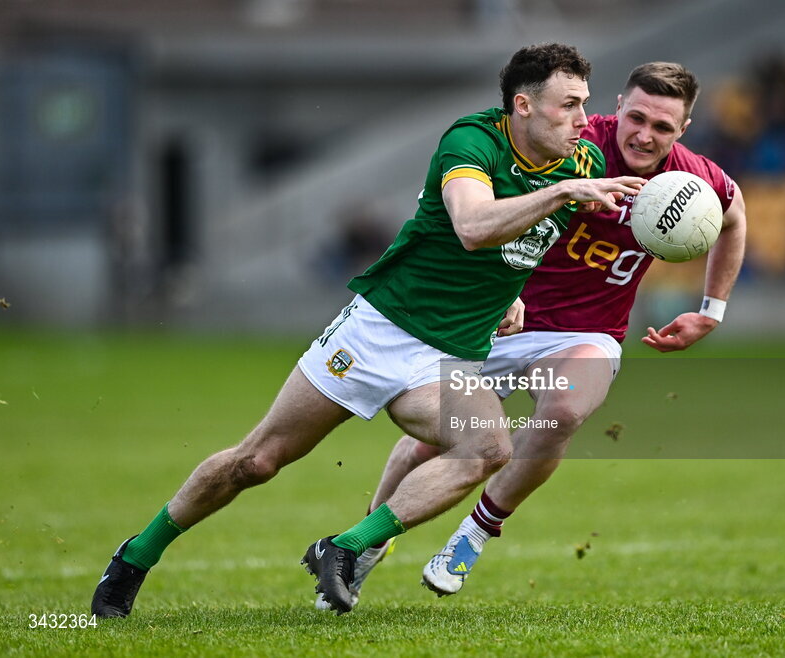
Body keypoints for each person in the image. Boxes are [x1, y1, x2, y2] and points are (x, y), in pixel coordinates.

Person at [90, 43, 645, 617]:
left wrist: (517, 293)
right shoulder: (473, 141)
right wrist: (559, 193)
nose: (583, 120)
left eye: (585, 104)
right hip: (380, 329)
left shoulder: (584, 165)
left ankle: (346, 546)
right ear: (523, 106)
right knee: (256, 462)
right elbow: (474, 227)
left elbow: (532, 243)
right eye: (569, 105)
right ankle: (136, 555)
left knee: (487, 447)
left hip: (448, 357)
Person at [321, 61, 747, 607]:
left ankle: (474, 534)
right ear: (616, 105)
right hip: (497, 321)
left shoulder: (693, 181)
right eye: (636, 117)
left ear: (682, 130)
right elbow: (475, 209)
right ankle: (365, 547)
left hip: (587, 333)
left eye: (662, 128)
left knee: (564, 411)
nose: (644, 135)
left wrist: (711, 310)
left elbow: (734, 216)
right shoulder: (571, 144)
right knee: (423, 448)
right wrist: (503, 284)